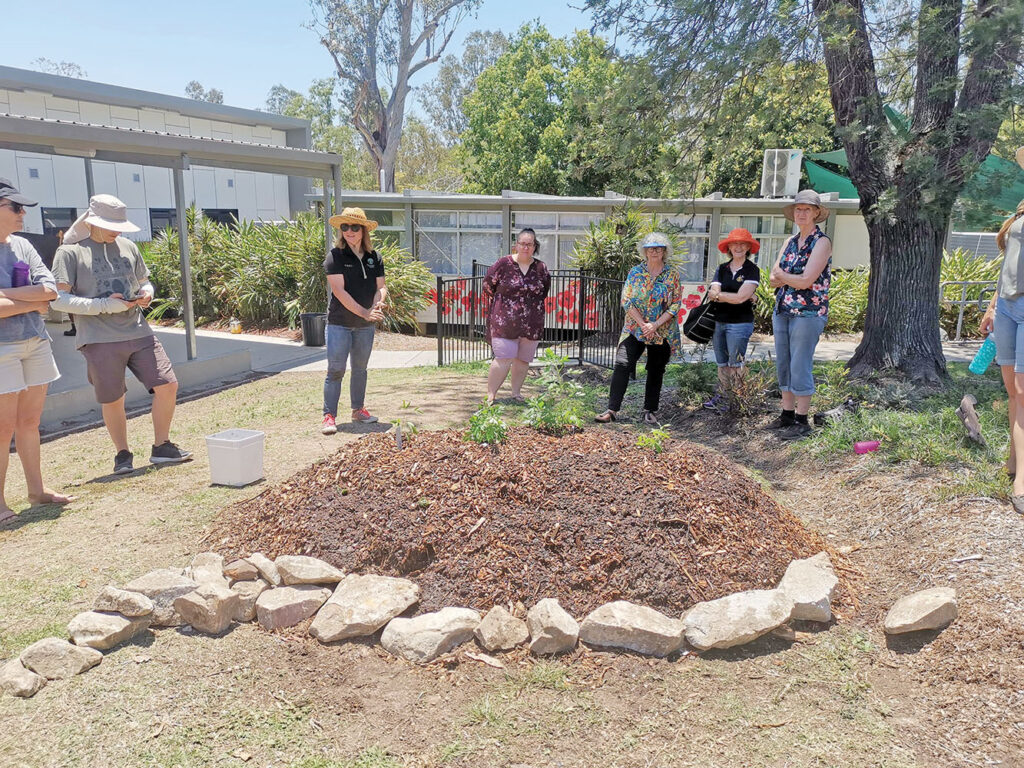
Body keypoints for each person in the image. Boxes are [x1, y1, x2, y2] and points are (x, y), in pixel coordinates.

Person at [51, 195, 191, 475]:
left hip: (138, 330)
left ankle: (162, 446)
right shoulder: (70, 252)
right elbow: (57, 299)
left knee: (168, 385)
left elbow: (144, 280)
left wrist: (147, 293)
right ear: (92, 221)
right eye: (110, 225)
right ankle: (122, 454)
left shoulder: (128, 246)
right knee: (113, 398)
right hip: (98, 338)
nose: (117, 231)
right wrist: (103, 305)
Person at [0, 179, 73, 523]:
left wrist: (10, 298)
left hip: (36, 341)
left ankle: (36, 491)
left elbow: (51, 291)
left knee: (29, 422)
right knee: (2, 428)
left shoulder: (24, 246)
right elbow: (39, 296)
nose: (22, 214)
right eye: (15, 207)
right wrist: (32, 300)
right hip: (3, 349)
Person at [596, 232, 682, 425]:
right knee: (622, 363)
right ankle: (612, 409)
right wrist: (643, 324)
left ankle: (649, 410)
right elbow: (626, 300)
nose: (654, 251)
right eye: (651, 248)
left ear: (664, 252)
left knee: (655, 369)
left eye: (659, 248)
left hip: (662, 330)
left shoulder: (672, 275)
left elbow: (676, 304)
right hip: (635, 328)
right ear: (644, 251)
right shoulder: (635, 272)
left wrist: (655, 325)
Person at [979, 146, 1024, 513]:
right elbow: (1007, 264)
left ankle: (1022, 479)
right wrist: (993, 307)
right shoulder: (1019, 212)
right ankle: (1013, 464)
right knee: (1012, 391)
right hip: (1007, 307)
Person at [767, 189, 833, 440]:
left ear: (817, 213)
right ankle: (786, 414)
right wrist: (786, 278)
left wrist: (785, 277)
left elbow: (807, 281)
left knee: (800, 363)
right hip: (783, 309)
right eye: (798, 209)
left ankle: (802, 419)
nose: (801, 213)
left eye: (807, 209)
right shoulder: (790, 241)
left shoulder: (822, 242)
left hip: (808, 313)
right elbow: (772, 277)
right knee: (783, 362)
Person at [321, 207, 387, 434]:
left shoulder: (374, 257)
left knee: (360, 369)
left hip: (364, 327)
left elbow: (381, 286)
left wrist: (380, 301)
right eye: (344, 227)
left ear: (363, 230)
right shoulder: (335, 256)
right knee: (336, 370)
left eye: (354, 227)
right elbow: (339, 292)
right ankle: (329, 416)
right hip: (339, 323)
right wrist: (365, 312)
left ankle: (358, 410)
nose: (349, 231)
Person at [482, 227, 551, 406]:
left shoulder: (541, 268)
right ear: (516, 245)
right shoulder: (503, 264)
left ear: (535, 246)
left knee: (523, 360)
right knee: (503, 358)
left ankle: (516, 393)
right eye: (522, 244)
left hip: (532, 321)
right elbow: (488, 286)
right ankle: (491, 394)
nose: (525, 247)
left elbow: (543, 291)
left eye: (529, 244)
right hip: (504, 321)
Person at [704, 228, 761, 412]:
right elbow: (712, 293)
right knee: (722, 363)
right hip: (719, 322)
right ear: (728, 246)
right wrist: (731, 296)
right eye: (734, 243)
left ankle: (737, 400)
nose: (738, 247)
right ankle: (723, 396)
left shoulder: (752, 270)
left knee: (736, 364)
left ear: (748, 247)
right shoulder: (722, 269)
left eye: (742, 243)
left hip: (740, 323)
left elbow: (740, 298)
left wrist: (721, 295)